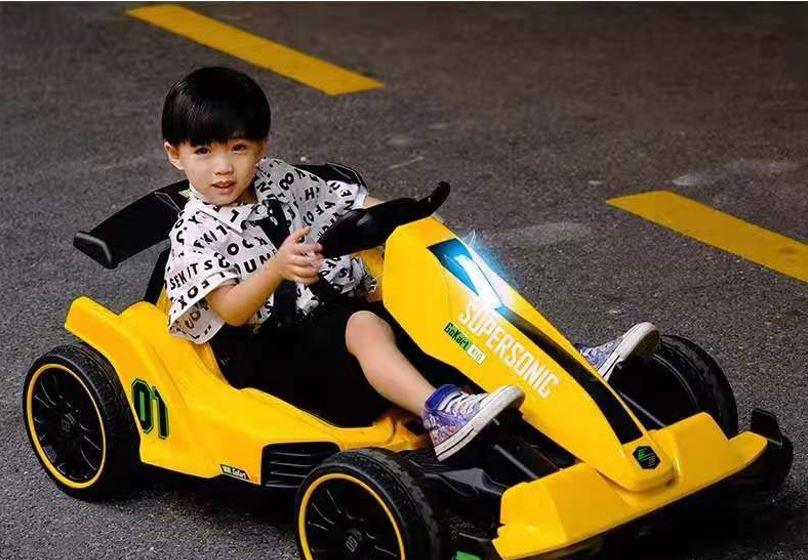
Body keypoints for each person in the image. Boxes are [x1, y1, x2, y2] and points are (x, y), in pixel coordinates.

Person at [162, 66, 658, 463]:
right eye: (203, 152)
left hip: (335, 314)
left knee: (446, 297)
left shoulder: (278, 178)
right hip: (281, 356)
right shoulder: (194, 231)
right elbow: (228, 311)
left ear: (261, 148)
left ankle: (563, 365)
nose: (223, 166)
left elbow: (349, 206)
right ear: (176, 156)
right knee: (361, 324)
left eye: (238, 148)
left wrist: (401, 222)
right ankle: (439, 415)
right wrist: (275, 267)